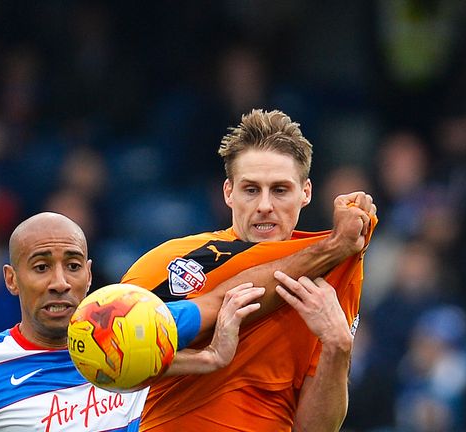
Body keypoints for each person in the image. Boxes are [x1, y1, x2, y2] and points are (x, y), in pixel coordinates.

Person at [121, 108, 378, 431]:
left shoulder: (330, 277)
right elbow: (111, 364)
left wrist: (338, 346)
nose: (265, 205)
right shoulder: (170, 263)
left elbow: (315, 429)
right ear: (229, 192)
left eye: (280, 190)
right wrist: (206, 358)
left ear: (306, 193)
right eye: (251, 189)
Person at [0, 212, 266, 431]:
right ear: (12, 279)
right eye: (41, 267)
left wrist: (322, 251)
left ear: (89, 276)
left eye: (73, 266)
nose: (60, 282)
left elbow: (226, 299)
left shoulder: (139, 327)